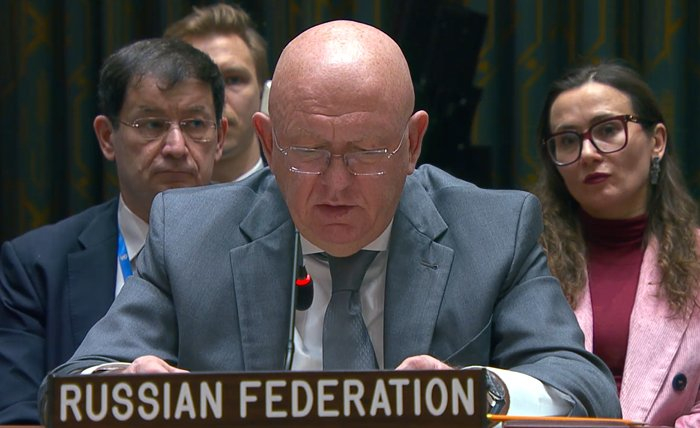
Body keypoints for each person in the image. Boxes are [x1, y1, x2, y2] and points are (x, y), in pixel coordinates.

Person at [43, 21, 620, 419]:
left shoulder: (493, 230)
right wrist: (121, 390)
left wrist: (479, 391)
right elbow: (69, 386)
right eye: (308, 152)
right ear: (267, 143)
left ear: (412, 143)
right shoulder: (190, 232)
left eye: (367, 153)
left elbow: (585, 385)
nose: (337, 184)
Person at [0, 38, 227, 424]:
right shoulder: (35, 266)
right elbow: (15, 415)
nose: (176, 146)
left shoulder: (266, 248)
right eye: (152, 124)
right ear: (107, 137)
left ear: (219, 137)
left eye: (194, 124)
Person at [533, 62, 700, 426]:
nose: (588, 153)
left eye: (608, 130)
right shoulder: (526, 260)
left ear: (656, 142)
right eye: (568, 140)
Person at [165, 2, 268, 183]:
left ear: (263, 91)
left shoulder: (297, 197)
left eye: (234, 80)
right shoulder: (151, 200)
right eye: (199, 82)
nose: (219, 99)